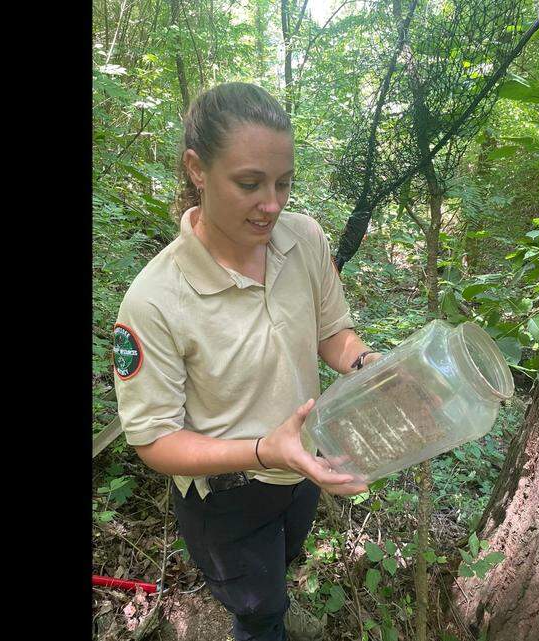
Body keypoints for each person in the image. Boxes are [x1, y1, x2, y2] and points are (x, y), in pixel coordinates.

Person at [112, 81, 380, 641]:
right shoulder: (154, 300)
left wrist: (369, 366)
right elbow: (154, 440)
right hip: (226, 497)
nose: (272, 204)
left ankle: (270, 602)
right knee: (256, 611)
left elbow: (332, 333)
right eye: (250, 183)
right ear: (197, 169)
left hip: (303, 468)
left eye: (284, 182)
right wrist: (264, 450)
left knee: (281, 564)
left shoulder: (303, 239)